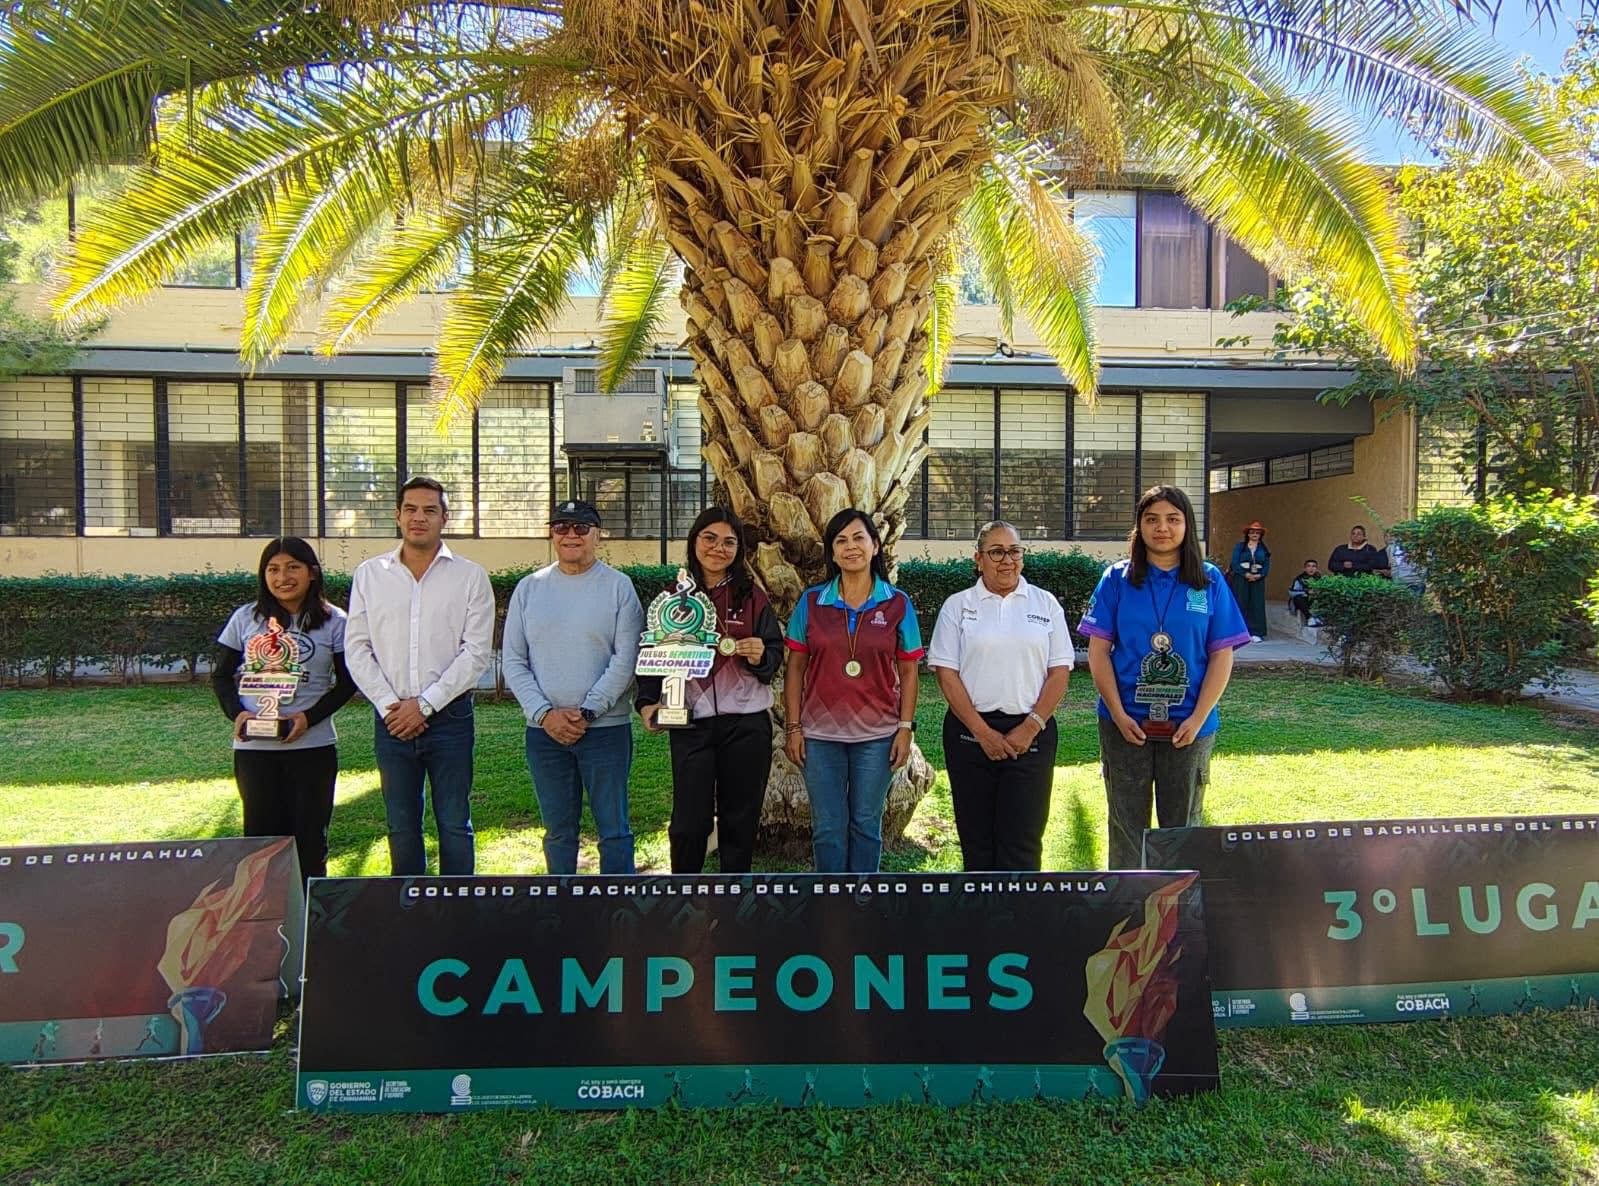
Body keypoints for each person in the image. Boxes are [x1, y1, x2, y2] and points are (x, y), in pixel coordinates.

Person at [1078, 485, 1251, 869]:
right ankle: (1127, 902)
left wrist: (1198, 717)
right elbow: (1098, 652)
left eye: (1173, 519)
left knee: (1183, 829)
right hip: (1125, 725)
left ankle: (1179, 905)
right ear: (1139, 526)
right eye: (1152, 519)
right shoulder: (1116, 579)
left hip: (1189, 726)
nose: (1162, 528)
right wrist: (1119, 714)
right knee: (1126, 826)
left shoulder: (1209, 581)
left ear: (1187, 526)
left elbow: (1221, 655)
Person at [345, 476, 495, 875]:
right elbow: (357, 648)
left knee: (454, 823)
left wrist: (425, 705)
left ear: (445, 518)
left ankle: (457, 906)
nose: (419, 517)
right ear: (397, 516)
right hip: (391, 719)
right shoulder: (370, 575)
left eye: (430, 510)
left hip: (450, 718)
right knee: (401, 826)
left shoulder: (470, 577)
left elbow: (475, 653)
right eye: (410, 509)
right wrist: (390, 706)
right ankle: (409, 905)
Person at [635, 507, 783, 873]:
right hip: (690, 721)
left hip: (747, 722)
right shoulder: (672, 598)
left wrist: (761, 654)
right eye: (710, 538)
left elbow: (774, 654)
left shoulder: (753, 597)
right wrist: (647, 703)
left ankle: (735, 897)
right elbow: (653, 653)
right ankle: (683, 895)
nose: (719, 548)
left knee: (740, 819)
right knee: (689, 822)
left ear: (739, 550)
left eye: (729, 542)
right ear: (694, 541)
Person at [504, 499, 644, 874]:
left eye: (581, 527)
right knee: (558, 833)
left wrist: (588, 711)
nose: (571, 535)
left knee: (614, 831)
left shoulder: (619, 587)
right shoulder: (529, 588)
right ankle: (560, 903)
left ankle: (618, 904)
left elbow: (627, 657)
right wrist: (544, 714)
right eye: (561, 527)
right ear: (552, 535)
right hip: (544, 733)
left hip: (605, 730)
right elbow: (514, 659)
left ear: (598, 535)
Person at [927, 520, 1073, 872]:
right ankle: (980, 910)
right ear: (978, 559)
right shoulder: (957, 606)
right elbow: (946, 673)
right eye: (996, 552)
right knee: (977, 843)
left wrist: (1030, 727)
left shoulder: (1045, 604)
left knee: (1022, 843)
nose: (1007, 560)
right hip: (969, 734)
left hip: (1032, 733)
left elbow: (1059, 672)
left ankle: (1019, 910)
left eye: (1014, 551)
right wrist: (983, 733)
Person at [784, 508, 924, 873]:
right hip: (819, 736)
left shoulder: (897, 604)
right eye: (841, 541)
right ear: (832, 553)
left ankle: (864, 898)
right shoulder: (812, 602)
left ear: (875, 546)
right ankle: (831, 900)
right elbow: (795, 669)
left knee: (865, 824)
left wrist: (905, 728)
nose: (851, 547)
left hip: (878, 736)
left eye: (859, 538)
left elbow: (909, 671)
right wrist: (794, 727)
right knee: (828, 828)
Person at [211, 537, 356, 880]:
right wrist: (238, 714)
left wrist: (308, 718)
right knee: (260, 843)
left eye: (293, 567)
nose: (282, 577)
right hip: (255, 751)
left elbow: (348, 683)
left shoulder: (336, 621)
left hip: (312, 749)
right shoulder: (246, 618)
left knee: (310, 841)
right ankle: (263, 912)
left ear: (312, 573)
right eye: (272, 569)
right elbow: (220, 675)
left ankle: (306, 909)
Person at [1228, 521, 1271, 641]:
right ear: (1248, 534)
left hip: (1258, 579)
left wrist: (1260, 575)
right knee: (1241, 602)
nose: (1255, 534)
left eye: (1257, 532)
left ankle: (1256, 632)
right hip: (1241, 578)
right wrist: (1245, 574)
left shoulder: (1264, 549)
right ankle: (1239, 631)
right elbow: (1234, 562)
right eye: (1252, 532)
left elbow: (1267, 564)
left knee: (1257, 604)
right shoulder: (1240, 547)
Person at [1287, 559, 1323, 627]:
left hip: (1315, 600)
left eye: (1313, 566)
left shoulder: (1320, 579)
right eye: (1309, 566)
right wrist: (1306, 592)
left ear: (1316, 568)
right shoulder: (1299, 579)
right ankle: (1310, 618)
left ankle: (1318, 618)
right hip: (1304, 600)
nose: (1311, 568)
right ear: (1305, 568)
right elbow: (1292, 592)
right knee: (1298, 598)